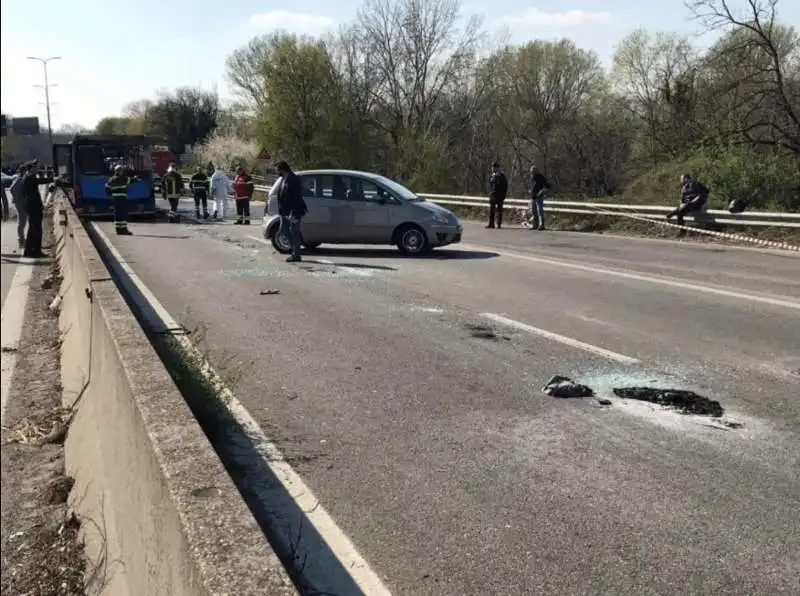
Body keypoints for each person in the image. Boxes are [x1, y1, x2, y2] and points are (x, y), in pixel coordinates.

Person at [276, 160, 308, 262]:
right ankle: (295, 250)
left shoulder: (294, 179)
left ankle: (296, 254)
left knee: (294, 232)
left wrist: (293, 213)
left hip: (293, 211)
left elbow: (297, 198)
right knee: (284, 231)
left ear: (283, 169)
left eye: (278, 169)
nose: (277, 172)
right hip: (284, 212)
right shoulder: (282, 179)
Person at [22, 160, 46, 258]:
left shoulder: (29, 177)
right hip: (33, 206)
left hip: (33, 205)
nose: (37, 168)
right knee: (36, 229)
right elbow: (40, 181)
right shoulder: (29, 177)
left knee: (32, 229)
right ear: (31, 168)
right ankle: (35, 251)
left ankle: (29, 251)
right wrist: (54, 178)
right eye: (35, 167)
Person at [105, 165, 134, 235]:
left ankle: (118, 230)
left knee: (117, 214)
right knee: (123, 214)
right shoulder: (124, 178)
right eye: (121, 171)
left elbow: (107, 189)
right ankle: (124, 230)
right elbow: (131, 181)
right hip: (122, 198)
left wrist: (112, 193)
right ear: (120, 171)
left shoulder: (111, 179)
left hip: (115, 199)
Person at [9, 164, 29, 248]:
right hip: (20, 203)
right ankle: (21, 241)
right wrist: (17, 198)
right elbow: (11, 189)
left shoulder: (21, 178)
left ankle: (22, 240)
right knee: (22, 222)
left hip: (21, 202)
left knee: (23, 221)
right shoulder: (19, 179)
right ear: (24, 171)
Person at [487, 161, 508, 229]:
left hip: (499, 195)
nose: (492, 168)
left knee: (499, 210)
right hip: (493, 195)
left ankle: (499, 224)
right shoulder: (492, 176)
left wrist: (503, 195)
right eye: (492, 167)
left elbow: (505, 186)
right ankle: (491, 223)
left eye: (494, 167)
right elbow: (491, 185)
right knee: (491, 210)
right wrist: (490, 194)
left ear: (497, 168)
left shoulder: (501, 176)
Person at [528, 165, 550, 231]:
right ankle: (535, 225)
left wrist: (542, 191)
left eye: (533, 171)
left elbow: (547, 186)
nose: (532, 173)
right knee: (534, 211)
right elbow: (532, 186)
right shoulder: (532, 178)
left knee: (540, 211)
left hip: (539, 197)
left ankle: (541, 225)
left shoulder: (541, 177)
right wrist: (530, 190)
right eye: (531, 171)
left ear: (536, 171)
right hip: (533, 196)